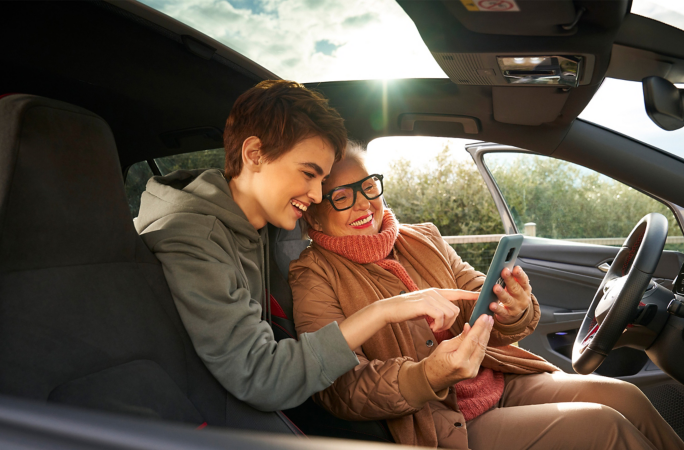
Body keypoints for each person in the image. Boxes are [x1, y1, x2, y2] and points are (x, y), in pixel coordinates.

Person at [289, 142, 684, 450]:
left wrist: (514, 309)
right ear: (313, 212)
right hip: (442, 417)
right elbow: (338, 388)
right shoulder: (313, 274)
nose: (363, 202)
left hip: (499, 382)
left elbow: (480, 295)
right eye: (342, 196)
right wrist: (428, 374)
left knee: (624, 396)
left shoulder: (423, 238)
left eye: (368, 186)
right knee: (602, 425)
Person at [134, 80, 484, 412]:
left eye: (321, 179)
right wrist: (383, 310)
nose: (317, 195)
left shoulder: (252, 224)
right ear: (254, 154)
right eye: (308, 174)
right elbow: (261, 377)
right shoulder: (195, 238)